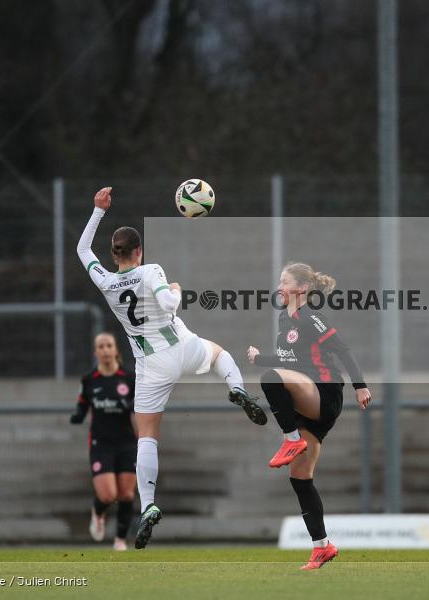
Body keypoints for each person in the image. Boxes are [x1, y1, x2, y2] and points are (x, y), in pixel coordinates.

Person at [77, 187, 268, 550]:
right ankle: (238, 388)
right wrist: (176, 290)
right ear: (138, 252)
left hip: (150, 363)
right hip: (180, 345)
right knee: (219, 354)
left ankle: (148, 505)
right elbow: (168, 301)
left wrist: (97, 211)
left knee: (147, 435)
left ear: (115, 255)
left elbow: (83, 251)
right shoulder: (151, 270)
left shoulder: (105, 280)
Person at [247, 262, 371, 570]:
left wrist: (361, 386)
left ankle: (290, 439)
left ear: (301, 289)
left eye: (284, 281)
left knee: (272, 378)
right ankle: (322, 547)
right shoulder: (283, 320)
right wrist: (258, 357)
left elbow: (342, 350)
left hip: (324, 392)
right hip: (306, 401)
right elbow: (288, 359)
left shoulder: (311, 317)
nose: (279, 287)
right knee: (300, 478)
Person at [70, 332, 137, 551]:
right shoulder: (89, 380)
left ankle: (120, 540)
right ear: (96, 352)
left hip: (127, 442)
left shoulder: (129, 378)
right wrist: (78, 416)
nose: (106, 350)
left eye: (109, 345)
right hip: (101, 444)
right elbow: (82, 404)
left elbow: (143, 406)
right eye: (101, 346)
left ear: (116, 350)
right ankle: (98, 513)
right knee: (108, 495)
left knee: (126, 494)